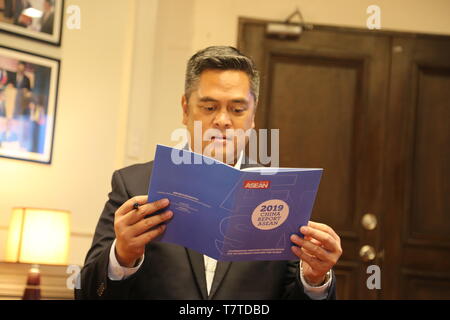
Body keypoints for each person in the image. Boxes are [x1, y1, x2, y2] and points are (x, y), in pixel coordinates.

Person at [76, 46, 342, 300]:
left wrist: (315, 280)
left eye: (237, 109)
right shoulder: (132, 184)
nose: (223, 120)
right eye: (209, 107)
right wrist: (121, 256)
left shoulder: (283, 191)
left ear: (253, 115)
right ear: (185, 109)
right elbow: (86, 293)